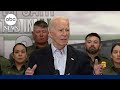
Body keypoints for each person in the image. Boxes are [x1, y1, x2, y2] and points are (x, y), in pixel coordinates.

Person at [25, 16, 93, 75]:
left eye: (67, 30)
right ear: (50, 33)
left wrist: (96, 75)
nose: (65, 34)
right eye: (61, 30)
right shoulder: (36, 56)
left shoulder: (81, 57)